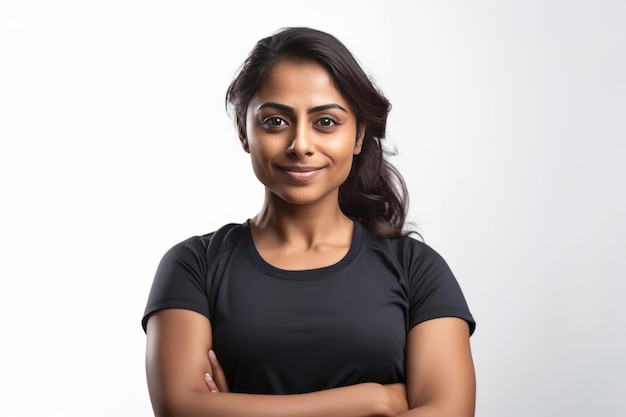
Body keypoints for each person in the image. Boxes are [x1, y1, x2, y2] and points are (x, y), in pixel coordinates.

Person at [142, 27, 476, 417]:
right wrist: (372, 400)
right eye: (276, 121)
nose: (301, 144)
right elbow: (181, 409)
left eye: (326, 122)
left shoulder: (417, 269)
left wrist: (237, 410)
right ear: (243, 131)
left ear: (358, 135)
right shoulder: (195, 265)